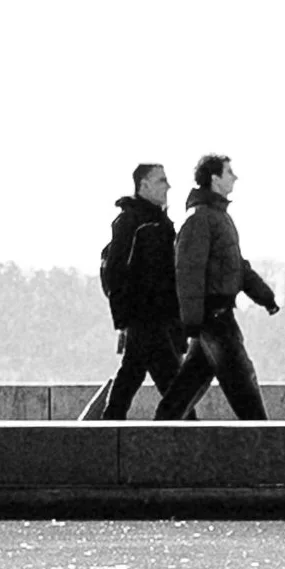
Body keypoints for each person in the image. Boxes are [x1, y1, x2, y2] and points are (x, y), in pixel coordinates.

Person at [155, 154, 281, 420]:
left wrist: (265, 297)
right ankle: (267, 447)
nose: (234, 177)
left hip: (213, 319)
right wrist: (191, 324)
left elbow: (237, 267)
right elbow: (189, 274)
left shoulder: (217, 217)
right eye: (229, 172)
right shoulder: (200, 219)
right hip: (214, 320)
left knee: (183, 392)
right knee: (244, 390)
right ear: (214, 178)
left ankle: (150, 440)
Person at [96, 163, 188, 419]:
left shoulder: (158, 222)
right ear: (143, 185)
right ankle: (191, 433)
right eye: (161, 180)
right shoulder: (132, 222)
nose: (167, 186)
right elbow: (116, 272)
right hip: (147, 318)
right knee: (174, 384)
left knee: (132, 373)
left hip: (157, 318)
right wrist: (125, 318)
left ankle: (107, 429)